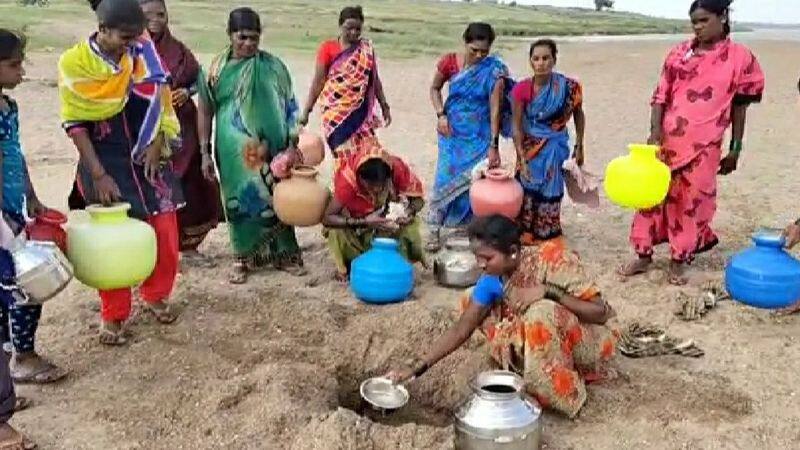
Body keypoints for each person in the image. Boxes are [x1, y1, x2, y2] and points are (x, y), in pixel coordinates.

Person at [386, 215, 617, 418]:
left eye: (487, 258)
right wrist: (415, 369)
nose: (480, 264)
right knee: (471, 300)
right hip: (548, 343)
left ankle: (560, 391)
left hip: (589, 340)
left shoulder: (553, 259)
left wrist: (549, 292)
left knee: (540, 312)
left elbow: (600, 313)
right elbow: (461, 329)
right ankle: (527, 370)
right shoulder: (492, 279)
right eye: (477, 257)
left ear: (514, 252)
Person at [60, 0, 183, 345]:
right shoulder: (75, 63)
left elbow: (161, 98)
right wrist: (98, 174)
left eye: (137, 35)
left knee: (164, 234)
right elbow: (74, 123)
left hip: (149, 159)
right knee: (111, 243)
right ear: (103, 29)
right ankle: (114, 314)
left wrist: (159, 141)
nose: (134, 43)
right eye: (125, 37)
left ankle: (156, 294)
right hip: (105, 162)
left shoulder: (143, 52)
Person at [619, 0, 764, 285]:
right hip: (667, 141)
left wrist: (735, 149)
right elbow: (660, 96)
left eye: (703, 20)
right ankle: (643, 254)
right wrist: (654, 133)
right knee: (651, 196)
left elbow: (739, 108)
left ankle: (679, 258)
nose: (697, 27)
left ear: (722, 17)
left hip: (706, 145)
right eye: (694, 22)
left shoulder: (741, 58)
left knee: (691, 201)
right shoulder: (679, 53)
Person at [197, 7, 305, 284]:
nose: (248, 44)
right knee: (239, 203)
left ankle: (286, 255)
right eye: (242, 37)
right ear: (229, 34)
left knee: (278, 199)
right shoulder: (216, 69)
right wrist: (204, 152)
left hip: (273, 149)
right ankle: (244, 258)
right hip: (233, 153)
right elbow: (206, 110)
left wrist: (293, 143)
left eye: (254, 38)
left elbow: (290, 106)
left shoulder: (274, 67)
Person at [0, 29, 68, 384]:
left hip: (12, 211)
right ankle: (22, 358)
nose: (21, 72)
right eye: (13, 65)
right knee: (25, 284)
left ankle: (11, 358)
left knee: (16, 284)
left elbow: (16, 156)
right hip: (1, 220)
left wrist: (32, 197)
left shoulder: (9, 107)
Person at [139, 0, 221, 267]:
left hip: (183, 128)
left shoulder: (178, 50)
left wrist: (187, 92)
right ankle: (154, 249)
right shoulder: (131, 49)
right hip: (146, 130)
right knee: (152, 188)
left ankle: (188, 247)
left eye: (161, 14)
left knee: (192, 185)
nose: (156, 20)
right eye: (148, 15)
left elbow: (197, 80)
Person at [426, 23, 511, 252]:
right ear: (465, 42)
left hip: (480, 135)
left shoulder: (494, 71)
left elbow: (495, 108)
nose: (479, 55)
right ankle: (434, 227)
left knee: (474, 181)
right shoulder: (449, 63)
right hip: (451, 133)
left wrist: (494, 145)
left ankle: (467, 227)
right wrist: (440, 114)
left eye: (484, 51)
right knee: (443, 177)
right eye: (474, 50)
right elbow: (434, 89)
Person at [511, 39, 586, 245]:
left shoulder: (569, 87)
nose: (541, 63)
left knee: (552, 185)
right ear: (530, 62)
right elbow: (516, 126)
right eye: (536, 58)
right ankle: (525, 230)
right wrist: (522, 158)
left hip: (556, 145)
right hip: (529, 147)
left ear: (554, 60)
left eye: (546, 58)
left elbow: (579, 114)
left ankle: (548, 229)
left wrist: (580, 145)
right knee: (526, 185)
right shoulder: (522, 89)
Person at [298, 6, 391, 169]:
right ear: (340, 26)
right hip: (335, 114)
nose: (354, 33)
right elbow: (318, 82)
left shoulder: (366, 49)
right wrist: (306, 111)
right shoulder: (328, 48)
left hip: (360, 114)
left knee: (370, 155)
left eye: (358, 29)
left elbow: (374, 80)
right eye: (349, 28)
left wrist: (384, 106)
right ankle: (344, 190)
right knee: (343, 158)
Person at [322, 142, 425, 281]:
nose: (376, 190)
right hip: (356, 228)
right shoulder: (348, 181)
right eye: (370, 185)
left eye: (381, 185)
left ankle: (398, 263)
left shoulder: (396, 168)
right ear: (359, 178)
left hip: (384, 226)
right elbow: (328, 218)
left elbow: (418, 200)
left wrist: (408, 213)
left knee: (410, 227)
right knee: (336, 232)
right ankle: (347, 267)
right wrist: (364, 222)